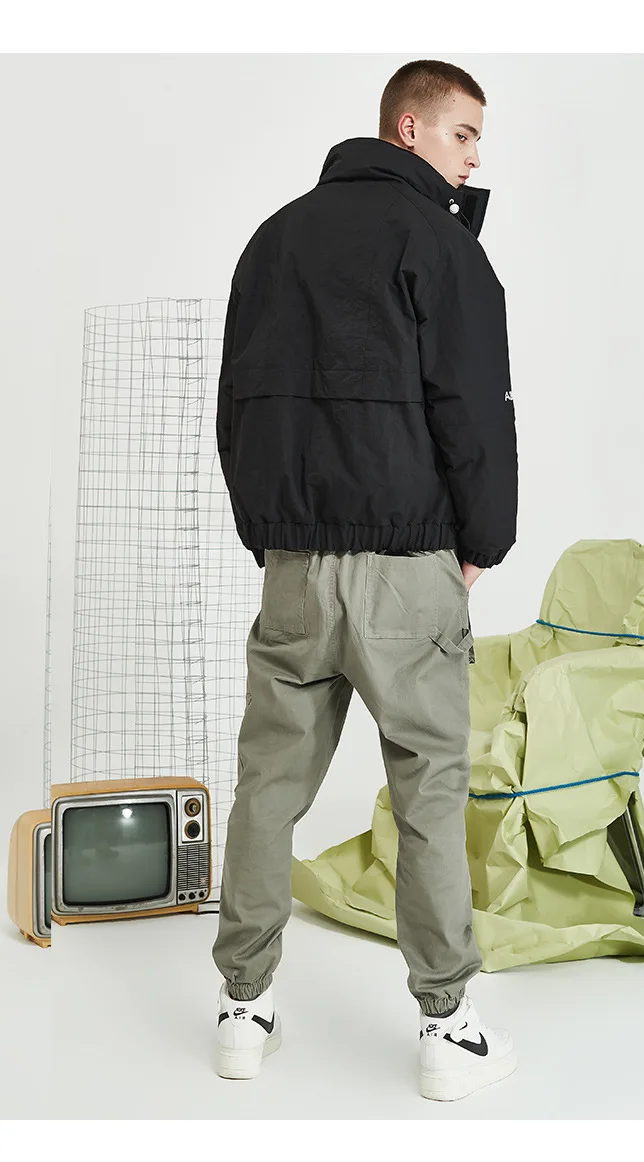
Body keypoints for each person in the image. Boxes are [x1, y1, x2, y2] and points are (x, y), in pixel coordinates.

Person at [211, 58, 519, 1101]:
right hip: (406, 566)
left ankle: (241, 1010)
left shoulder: (274, 238)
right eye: (463, 134)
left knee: (267, 788)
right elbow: (474, 407)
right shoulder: (441, 244)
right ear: (409, 127)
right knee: (428, 790)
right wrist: (482, 542)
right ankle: (446, 1028)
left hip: (295, 570)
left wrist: (271, 537)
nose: (473, 157)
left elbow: (236, 405)